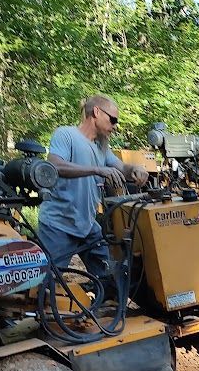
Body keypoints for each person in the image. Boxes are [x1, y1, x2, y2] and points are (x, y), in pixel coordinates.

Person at [38, 94, 149, 283]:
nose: (115, 126)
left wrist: (136, 169)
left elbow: (122, 168)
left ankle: (104, 306)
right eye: (113, 120)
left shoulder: (101, 147)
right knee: (44, 285)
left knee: (108, 278)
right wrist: (96, 169)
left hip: (87, 225)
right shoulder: (66, 135)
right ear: (96, 112)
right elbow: (55, 166)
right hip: (58, 225)